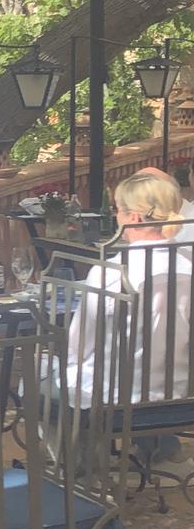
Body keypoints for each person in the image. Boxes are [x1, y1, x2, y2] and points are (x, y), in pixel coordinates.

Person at [67, 171, 192, 408]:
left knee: (43, 378)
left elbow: (80, 344)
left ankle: (79, 444)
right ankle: (157, 441)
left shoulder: (112, 271)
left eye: (118, 210)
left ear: (133, 217)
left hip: (114, 396)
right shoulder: (188, 262)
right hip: (181, 394)